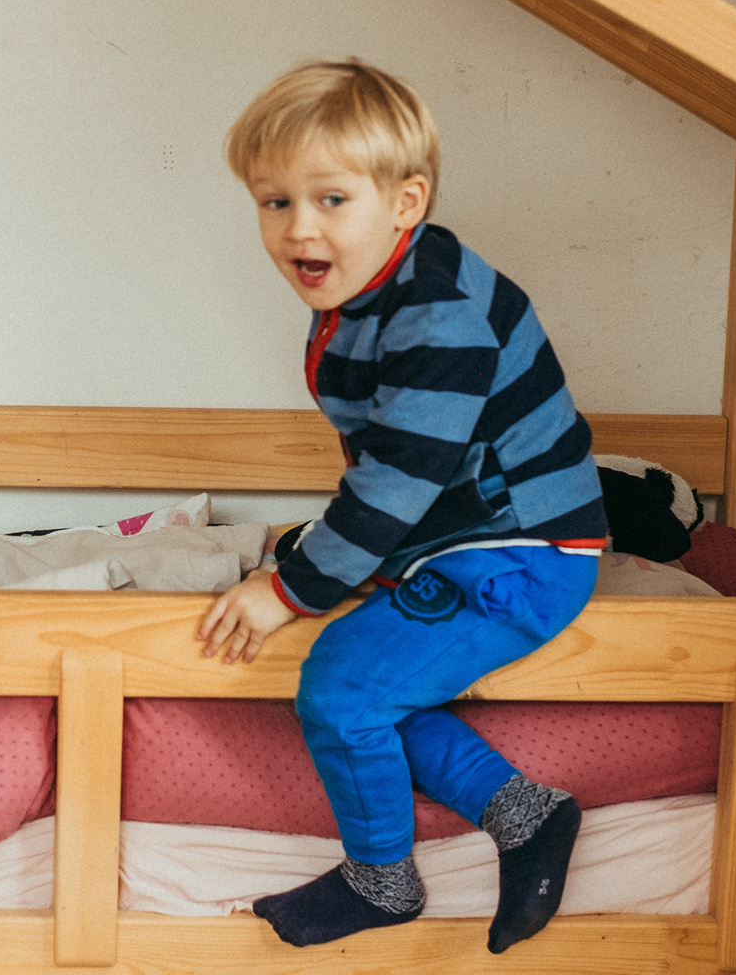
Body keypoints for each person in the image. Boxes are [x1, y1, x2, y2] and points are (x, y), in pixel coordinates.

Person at [196, 61, 606, 953]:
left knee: (340, 684)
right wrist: (323, 556)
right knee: (381, 691)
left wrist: (288, 591)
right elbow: (393, 463)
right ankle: (526, 814)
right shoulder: (373, 288)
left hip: (520, 554)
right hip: (465, 538)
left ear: (404, 202)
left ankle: (381, 880)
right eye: (274, 202)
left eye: (331, 199)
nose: (299, 227)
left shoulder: (438, 314)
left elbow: (397, 482)